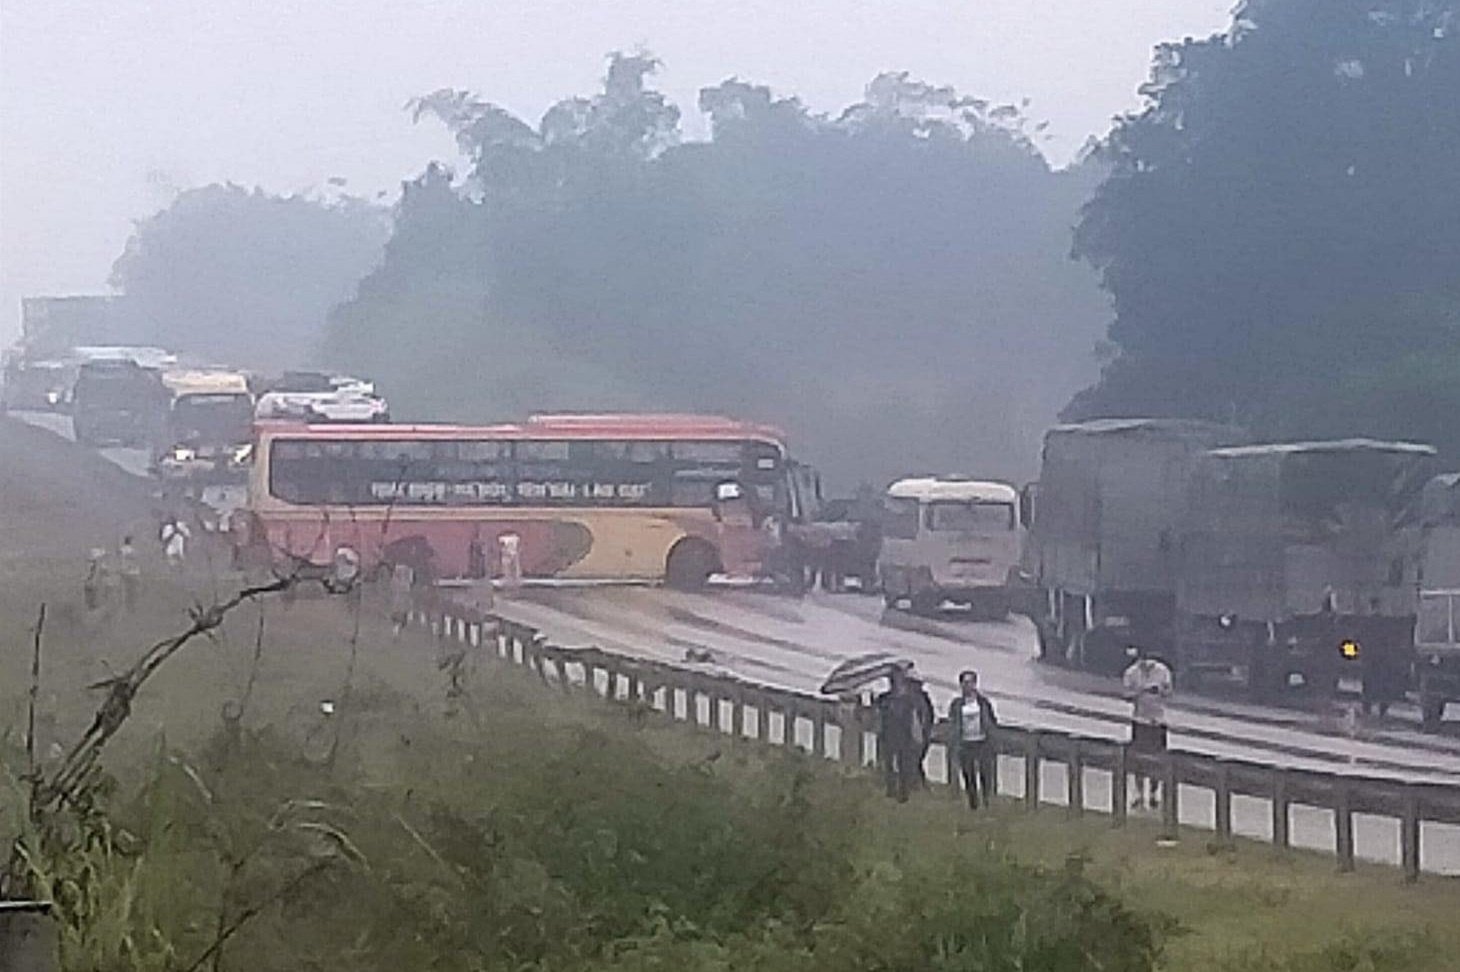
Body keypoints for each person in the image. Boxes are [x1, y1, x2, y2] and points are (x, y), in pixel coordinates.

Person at [1122, 647, 1174, 810]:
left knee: (1157, 760)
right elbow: (1126, 695)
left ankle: (1153, 793)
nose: (1146, 666)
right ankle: (1138, 793)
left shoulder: (1163, 671)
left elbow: (1169, 693)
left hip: (1158, 721)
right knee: (1138, 760)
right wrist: (1142, 691)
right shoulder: (1131, 673)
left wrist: (1161, 691)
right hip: (1140, 719)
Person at [875, 667, 928, 803]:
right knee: (889, 764)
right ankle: (891, 790)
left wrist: (919, 736)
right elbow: (879, 715)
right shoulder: (885, 698)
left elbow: (919, 719)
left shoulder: (914, 700)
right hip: (889, 735)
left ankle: (903, 793)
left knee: (904, 765)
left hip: (905, 737)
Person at [947, 669, 999, 810]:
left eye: (970, 682)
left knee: (985, 774)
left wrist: (991, 738)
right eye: (965, 683)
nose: (968, 686)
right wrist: (954, 742)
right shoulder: (957, 704)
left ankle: (987, 800)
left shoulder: (983, 703)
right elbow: (952, 723)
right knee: (968, 775)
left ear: (975, 684)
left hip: (982, 742)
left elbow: (992, 721)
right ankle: (973, 803)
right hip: (965, 743)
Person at [117, 535, 140, 611]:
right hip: (132, 573)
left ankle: (126, 604)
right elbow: (135, 561)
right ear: (130, 542)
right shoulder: (132, 550)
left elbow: (118, 554)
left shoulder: (123, 549)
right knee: (132, 589)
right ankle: (131, 604)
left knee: (125, 589)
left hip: (125, 572)